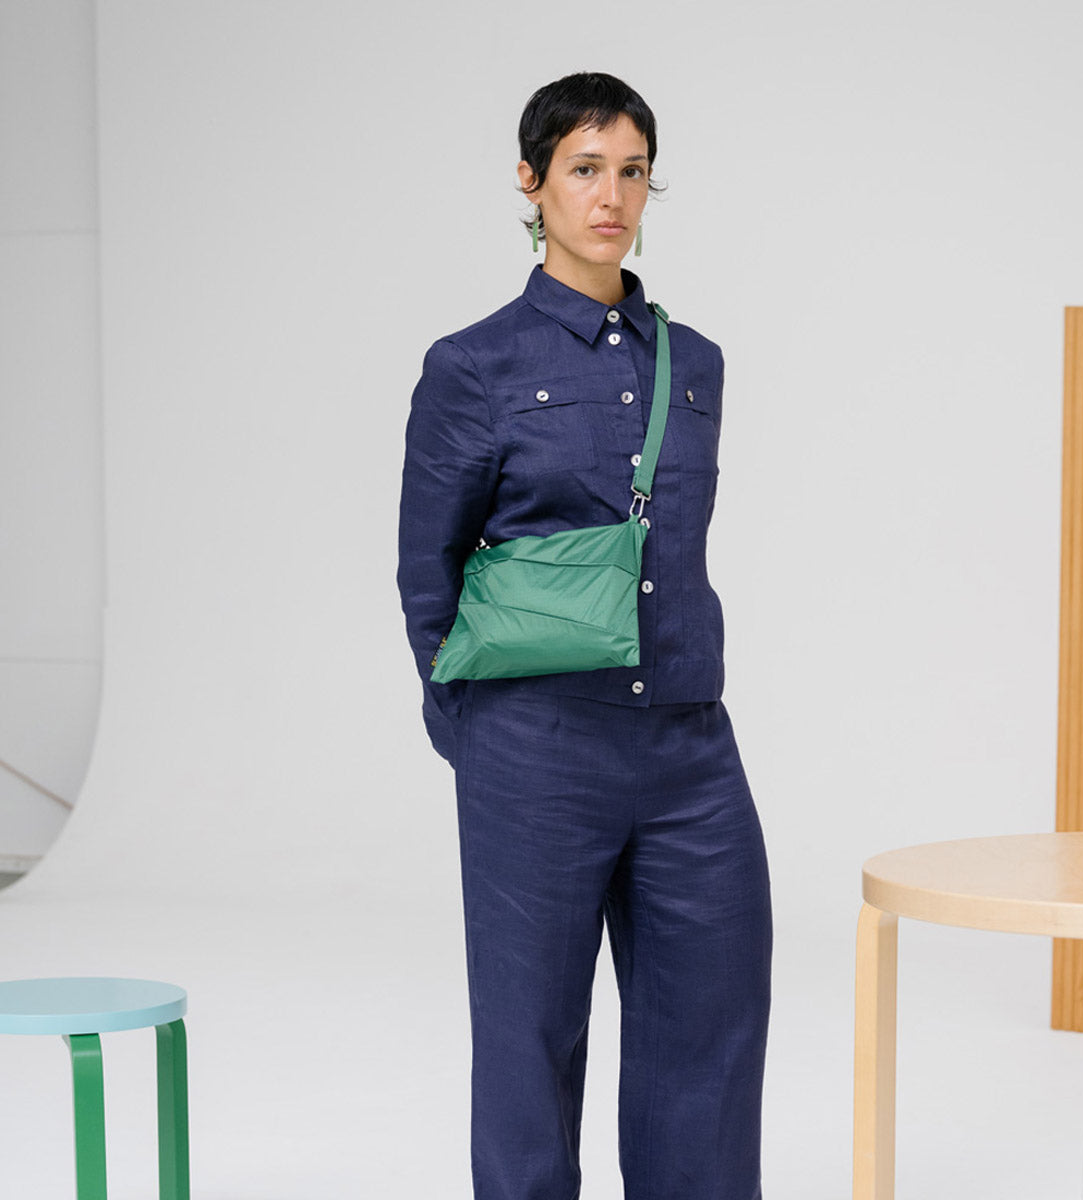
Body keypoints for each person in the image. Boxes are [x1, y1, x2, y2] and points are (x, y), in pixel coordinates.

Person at [397, 71, 772, 1200]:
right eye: (585, 168)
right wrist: (481, 737)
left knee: (712, 1032)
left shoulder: (693, 364)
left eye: (633, 171)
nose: (611, 196)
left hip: (689, 743)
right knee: (530, 1044)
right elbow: (427, 571)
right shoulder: (475, 366)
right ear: (533, 181)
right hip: (537, 746)